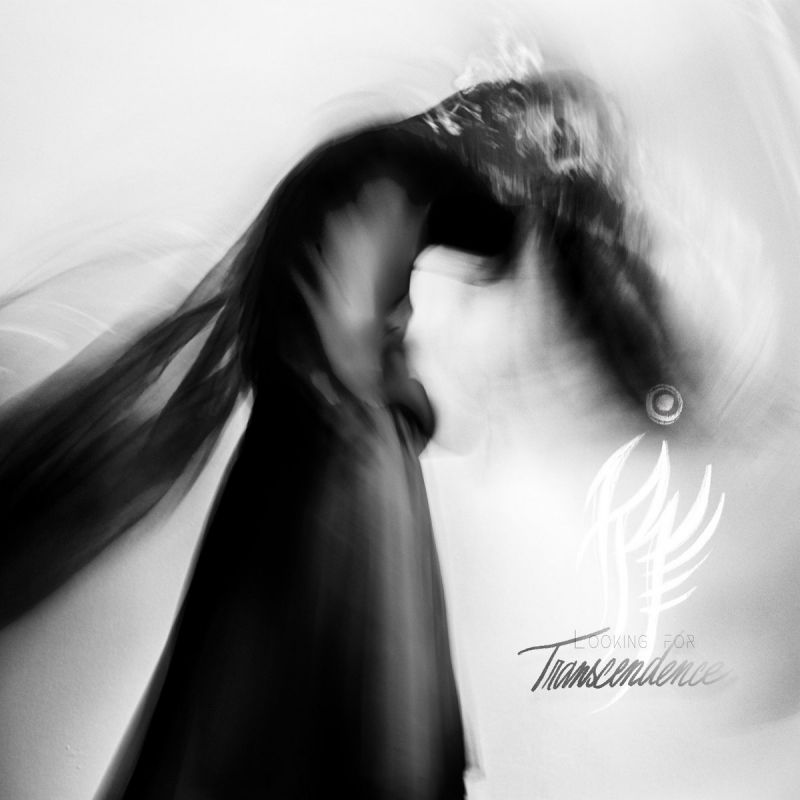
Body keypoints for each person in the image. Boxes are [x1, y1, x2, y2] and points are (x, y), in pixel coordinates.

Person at [0, 70, 680, 799]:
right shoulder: (381, 179)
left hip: (314, 453)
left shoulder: (377, 174)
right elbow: (346, 340)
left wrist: (410, 388)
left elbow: (352, 327)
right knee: (341, 701)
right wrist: (413, 400)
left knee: (293, 700)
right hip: (336, 458)